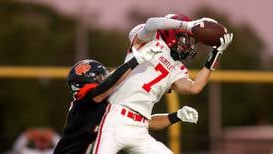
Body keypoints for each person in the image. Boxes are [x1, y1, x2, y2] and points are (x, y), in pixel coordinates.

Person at [93, 14, 233, 154]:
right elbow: (151, 23)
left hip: (140, 128)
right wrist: (187, 26)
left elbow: (194, 87)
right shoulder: (150, 40)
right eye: (188, 39)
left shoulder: (177, 68)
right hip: (115, 119)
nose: (190, 45)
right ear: (173, 33)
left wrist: (216, 53)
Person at [54, 54, 198, 153]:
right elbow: (107, 86)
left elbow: (144, 123)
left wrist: (177, 116)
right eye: (100, 75)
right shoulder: (84, 103)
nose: (105, 77)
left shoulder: (107, 105)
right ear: (88, 81)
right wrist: (134, 61)